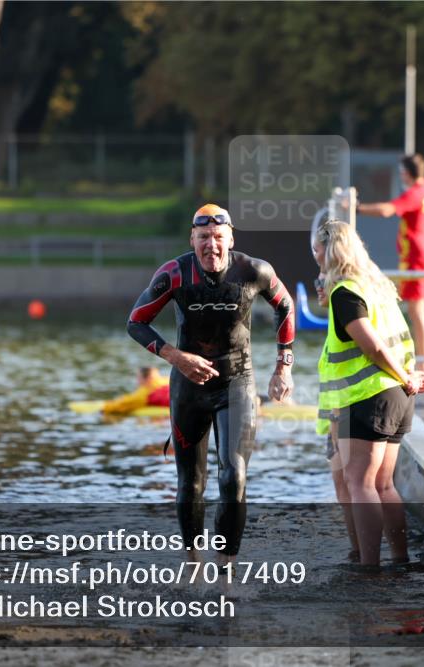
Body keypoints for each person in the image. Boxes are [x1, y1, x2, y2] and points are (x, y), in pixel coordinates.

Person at [127, 203, 295, 568]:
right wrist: (176, 357)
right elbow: (136, 321)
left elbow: (286, 306)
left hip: (237, 381)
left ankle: (225, 570)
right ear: (192, 239)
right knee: (191, 484)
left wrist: (283, 367)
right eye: (203, 238)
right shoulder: (175, 274)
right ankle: (193, 564)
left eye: (218, 238)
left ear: (230, 238)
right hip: (188, 388)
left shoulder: (253, 270)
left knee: (233, 474)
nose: (211, 246)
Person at [313, 220, 424, 567]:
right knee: (383, 485)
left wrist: (405, 377)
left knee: (359, 483)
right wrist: (407, 377)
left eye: (317, 250)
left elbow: (374, 347)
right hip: (396, 398)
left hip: (369, 396)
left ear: (330, 251)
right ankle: (399, 559)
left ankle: (369, 567)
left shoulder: (345, 292)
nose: (315, 256)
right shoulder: (375, 287)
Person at [355, 154, 424, 374]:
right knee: (422, 311)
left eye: (402, 171)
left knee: (416, 312)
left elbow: (387, 210)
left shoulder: (416, 194)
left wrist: (357, 208)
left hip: (416, 259)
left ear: (407, 172)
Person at [316, 272, 359, 561]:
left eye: (322, 283)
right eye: (316, 283)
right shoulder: (335, 322)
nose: (317, 288)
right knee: (343, 489)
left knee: (351, 487)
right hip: (335, 415)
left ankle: (362, 553)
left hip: (344, 413)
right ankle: (357, 550)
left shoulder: (345, 314)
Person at [101, 366, 170, 416]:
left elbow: (121, 405)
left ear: (147, 378)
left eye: (138, 378)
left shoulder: (146, 392)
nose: (137, 381)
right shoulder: (167, 380)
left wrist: (104, 408)